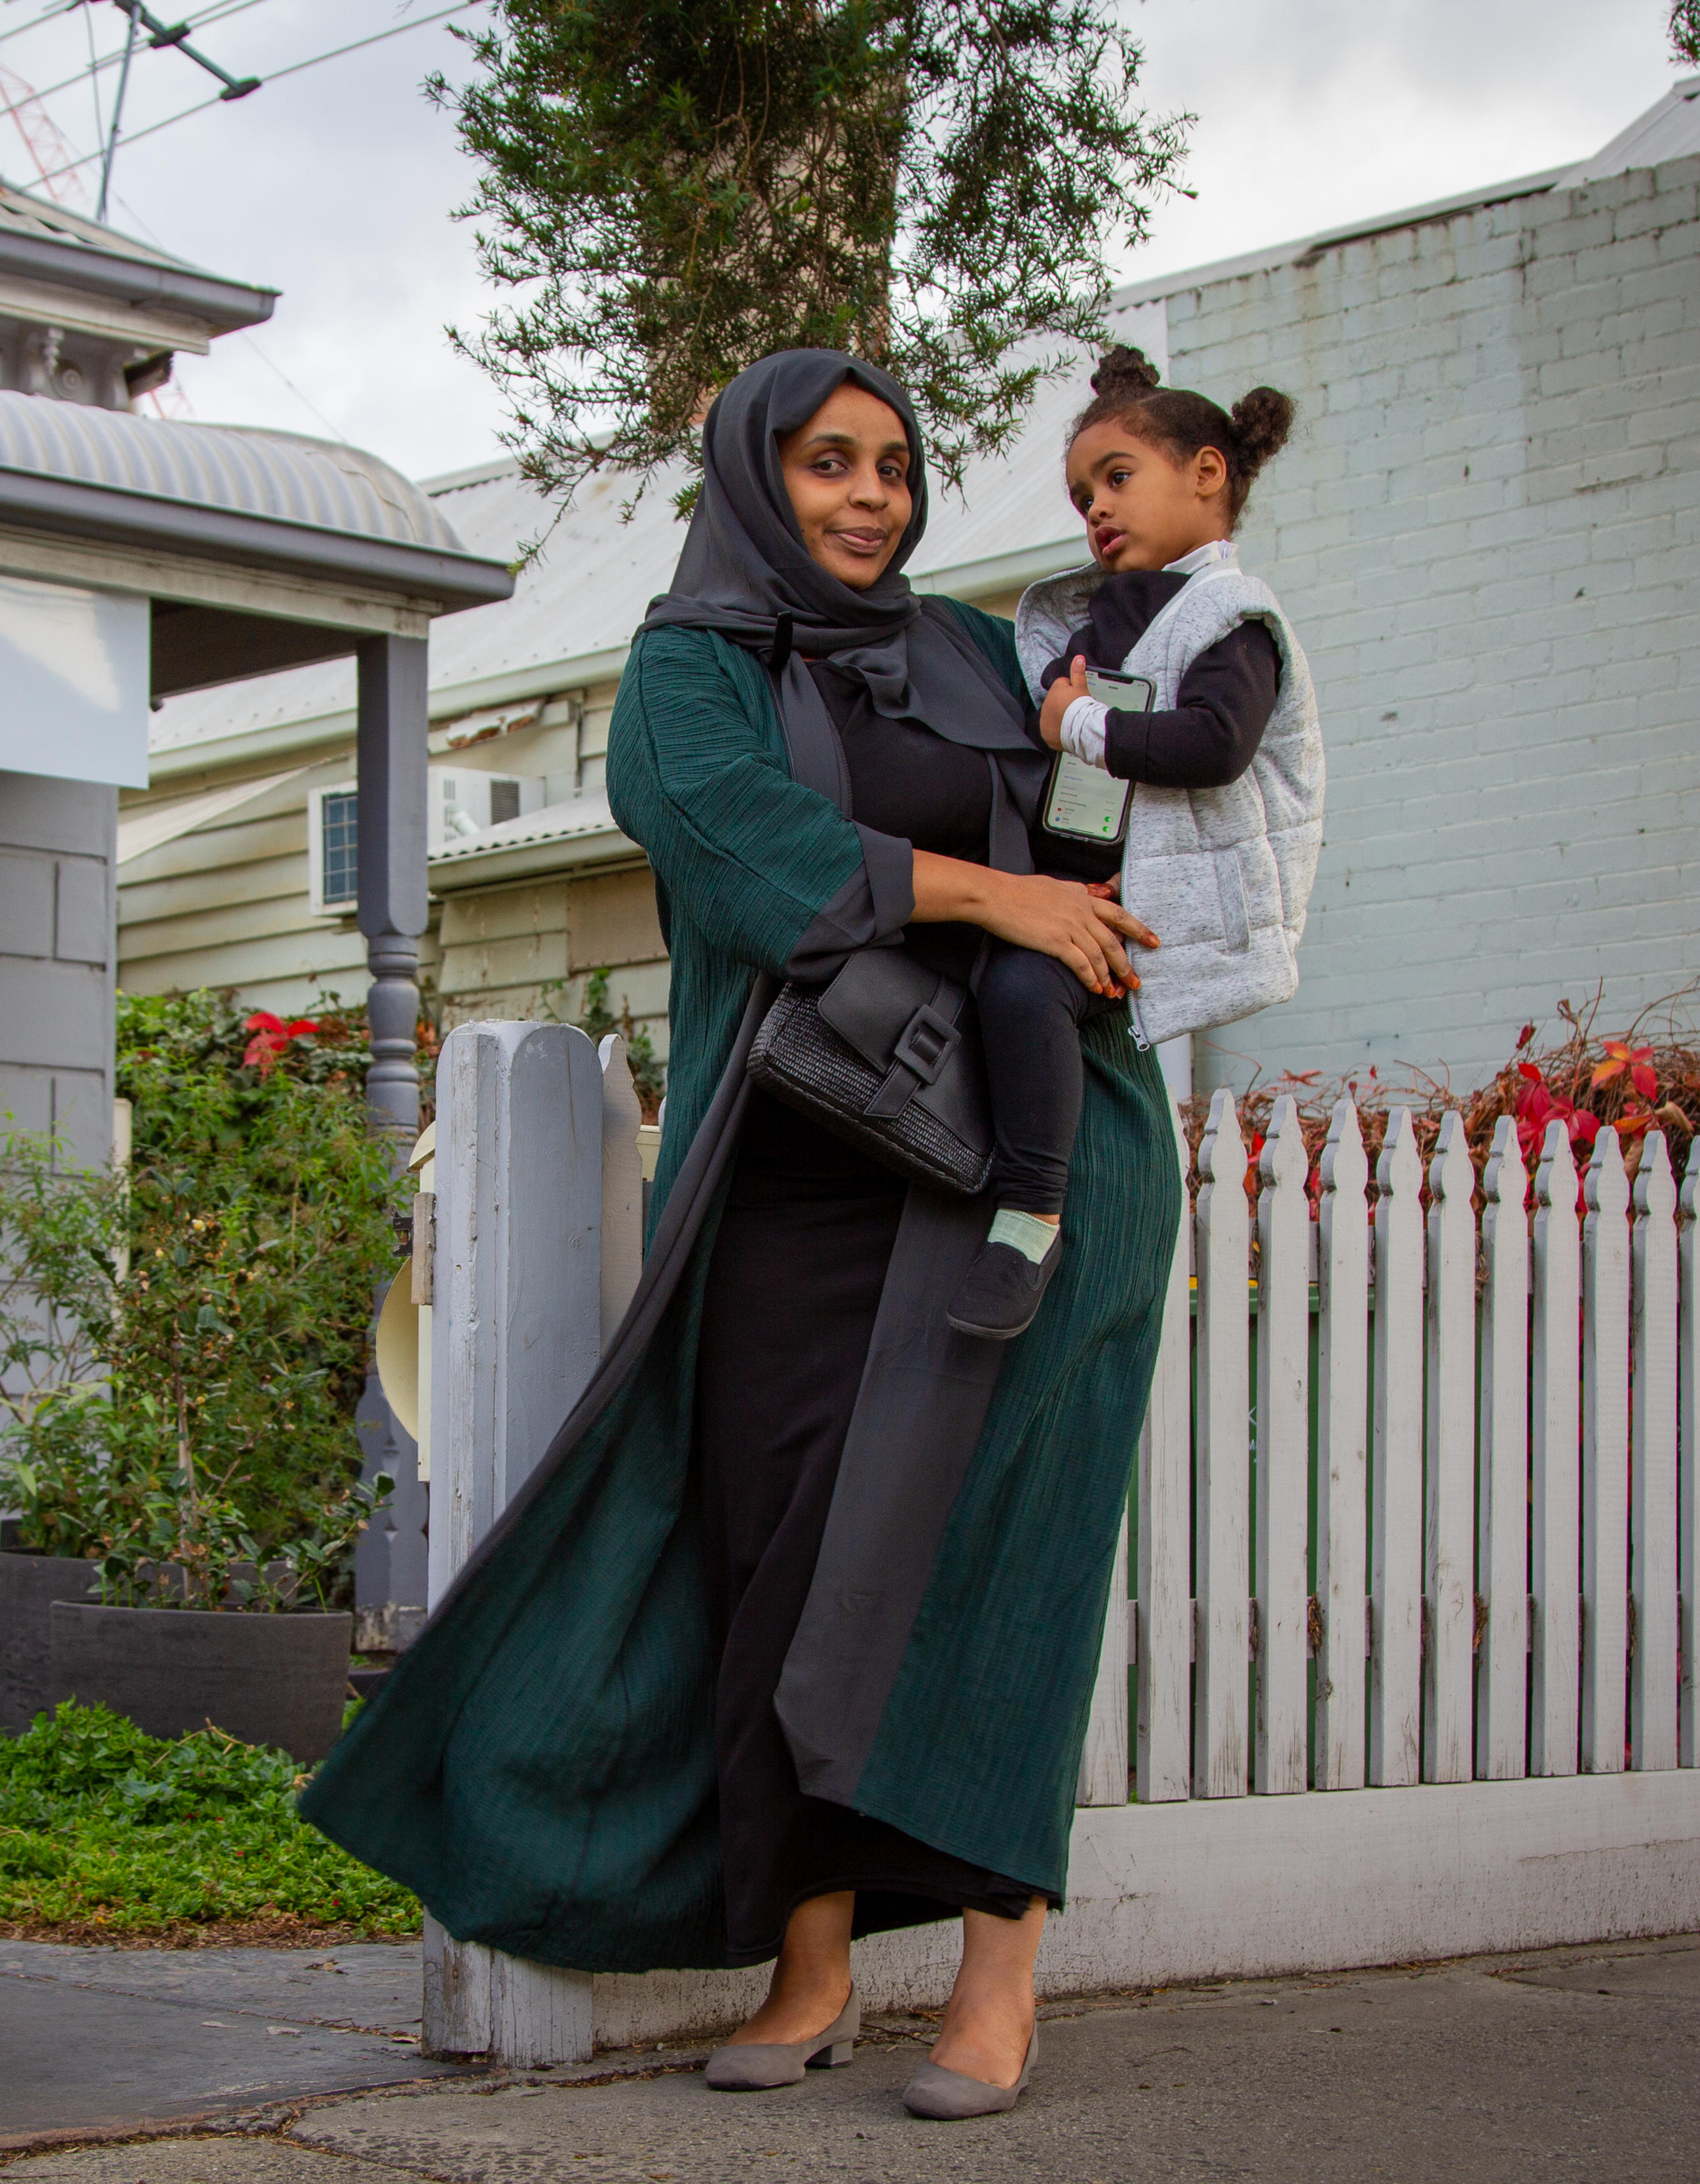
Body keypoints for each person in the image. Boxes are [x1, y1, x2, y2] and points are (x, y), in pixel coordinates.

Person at [299, 349, 1177, 2124]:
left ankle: (998, 1983)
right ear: (756, 479)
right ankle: (814, 1955)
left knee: (1005, 1552)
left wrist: (1085, 816)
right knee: (778, 1550)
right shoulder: (688, 666)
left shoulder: (968, 649)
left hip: (1026, 1155)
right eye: (830, 463)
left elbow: (1072, 833)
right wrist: (991, 887)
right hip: (795, 1165)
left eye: (895, 465)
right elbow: (731, 844)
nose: (872, 496)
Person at [946, 345, 1324, 1341]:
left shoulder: (1233, 619)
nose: (1096, 510)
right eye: (1081, 496)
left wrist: (1074, 722)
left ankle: (1032, 1215)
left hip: (1166, 901)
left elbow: (1212, 746)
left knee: (1027, 988)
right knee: (994, 978)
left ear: (1207, 473)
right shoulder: (1102, 612)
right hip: (1081, 878)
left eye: (1118, 479)